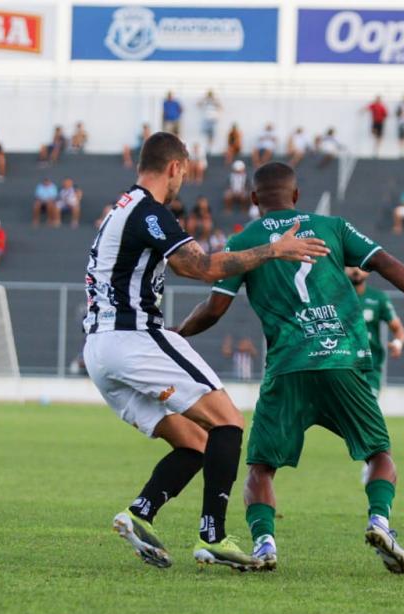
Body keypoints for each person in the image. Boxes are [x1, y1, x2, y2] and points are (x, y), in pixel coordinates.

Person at [175, 161, 404, 572]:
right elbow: (387, 263)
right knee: (378, 453)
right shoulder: (333, 227)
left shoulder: (243, 242)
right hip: (343, 361)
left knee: (262, 467)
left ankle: (265, 545)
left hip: (288, 367)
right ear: (296, 196)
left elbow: (214, 310)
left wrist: (176, 334)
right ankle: (379, 522)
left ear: (253, 199)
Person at [86, 133, 329, 571]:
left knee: (198, 442)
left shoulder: (119, 210)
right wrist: (275, 250)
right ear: (175, 168)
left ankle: (140, 514)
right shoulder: (148, 211)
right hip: (132, 336)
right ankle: (213, 536)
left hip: (100, 351)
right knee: (229, 422)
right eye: (186, 170)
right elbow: (198, 266)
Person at [348, 268, 404, 397]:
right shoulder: (332, 297)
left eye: (360, 266)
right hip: (341, 365)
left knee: (365, 411)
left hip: (370, 367)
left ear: (368, 270)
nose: (356, 270)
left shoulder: (378, 298)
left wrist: (398, 343)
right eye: (351, 265)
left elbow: (398, 329)